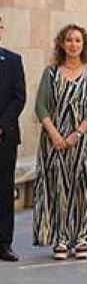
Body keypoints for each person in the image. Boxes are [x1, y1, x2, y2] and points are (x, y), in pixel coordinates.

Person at [32, 24, 87, 260]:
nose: (74, 45)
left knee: (83, 186)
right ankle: (61, 238)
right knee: (58, 188)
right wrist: (54, 134)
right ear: (62, 44)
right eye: (70, 40)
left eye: (78, 41)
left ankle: (81, 236)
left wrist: (77, 134)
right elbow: (40, 105)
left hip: (83, 140)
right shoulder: (50, 72)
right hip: (54, 141)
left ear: (84, 45)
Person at [0, 14, 26, 262]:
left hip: (4, 138)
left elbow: (19, 97)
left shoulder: (13, 60)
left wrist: (2, 125)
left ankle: (4, 243)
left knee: (4, 190)